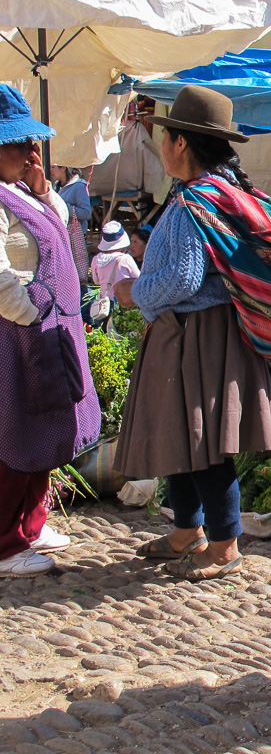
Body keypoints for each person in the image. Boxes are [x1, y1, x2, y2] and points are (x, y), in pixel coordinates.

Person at [111, 85, 271, 580]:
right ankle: (187, 530)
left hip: (198, 336)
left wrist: (135, 291)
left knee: (205, 442)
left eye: (165, 136)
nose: (161, 145)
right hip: (196, 334)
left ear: (182, 144)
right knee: (181, 436)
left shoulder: (195, 203)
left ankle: (226, 544)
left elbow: (185, 278)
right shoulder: (215, 194)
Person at [0, 84, 100, 577]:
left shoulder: (22, 192)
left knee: (47, 427)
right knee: (15, 430)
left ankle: (32, 524)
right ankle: (4, 542)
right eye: (17, 145)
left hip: (50, 329)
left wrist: (42, 189)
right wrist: (28, 313)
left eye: (29, 144)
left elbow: (60, 229)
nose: (28, 153)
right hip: (18, 335)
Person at [90, 221, 141, 326]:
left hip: (105, 305)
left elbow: (96, 281)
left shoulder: (96, 259)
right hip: (124, 303)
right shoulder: (125, 259)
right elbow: (139, 280)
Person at [52, 165, 90, 288]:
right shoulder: (56, 186)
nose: (51, 170)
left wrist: (63, 206)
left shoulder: (79, 186)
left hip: (74, 238)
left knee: (76, 275)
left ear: (63, 167)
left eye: (53, 167)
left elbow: (86, 212)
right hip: (61, 237)